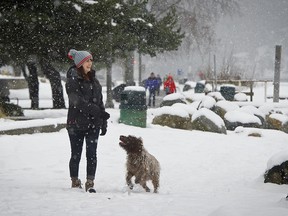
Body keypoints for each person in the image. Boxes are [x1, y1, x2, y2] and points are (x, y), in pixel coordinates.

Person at [65, 49, 110, 193]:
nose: (90, 63)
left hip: (93, 124)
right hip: (76, 123)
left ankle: (90, 181)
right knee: (76, 153)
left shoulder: (94, 80)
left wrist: (103, 120)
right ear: (79, 63)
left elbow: (100, 102)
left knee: (92, 153)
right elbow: (77, 101)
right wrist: (95, 110)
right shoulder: (72, 80)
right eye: (87, 61)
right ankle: (74, 180)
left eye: (91, 60)